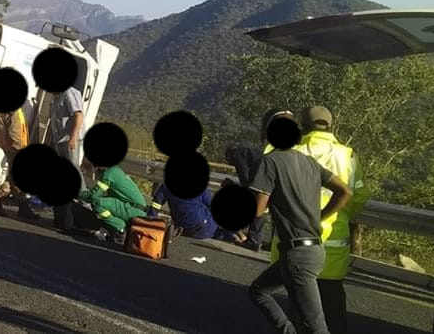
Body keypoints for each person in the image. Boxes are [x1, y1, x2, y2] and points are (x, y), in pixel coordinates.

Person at [264, 106, 368, 334]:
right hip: (332, 246)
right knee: (332, 306)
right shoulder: (347, 155)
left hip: (292, 241)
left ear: (302, 126)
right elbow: (358, 196)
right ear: (331, 125)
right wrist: (340, 215)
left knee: (301, 310)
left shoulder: (289, 149)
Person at [147, 182, 244, 243]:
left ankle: (229, 235)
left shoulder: (165, 186)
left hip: (183, 228)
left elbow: (156, 206)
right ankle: (234, 235)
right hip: (203, 227)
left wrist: (149, 221)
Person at [0, 107, 39, 219]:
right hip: (15, 147)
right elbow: (14, 131)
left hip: (8, 145)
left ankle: (20, 206)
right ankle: (2, 201)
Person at [76, 165, 149, 244]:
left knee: (97, 203)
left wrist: (78, 194)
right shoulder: (115, 171)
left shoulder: (108, 174)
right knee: (105, 201)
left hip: (132, 209)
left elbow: (93, 196)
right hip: (137, 209)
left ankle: (120, 228)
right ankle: (118, 228)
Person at [50, 85, 86, 231]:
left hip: (69, 140)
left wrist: (73, 137)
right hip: (59, 139)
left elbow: (78, 115)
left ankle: (83, 200)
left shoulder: (68, 93)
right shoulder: (56, 96)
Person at [225, 144, 267, 251]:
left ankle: (253, 241)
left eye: (228, 161)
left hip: (260, 179)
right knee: (263, 208)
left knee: (257, 206)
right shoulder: (248, 150)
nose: (230, 163)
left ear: (229, 155)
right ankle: (257, 240)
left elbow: (245, 178)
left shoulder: (237, 155)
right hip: (267, 175)